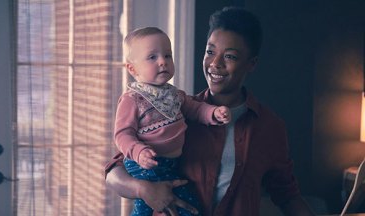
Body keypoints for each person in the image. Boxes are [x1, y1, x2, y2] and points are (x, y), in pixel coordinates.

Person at [105, 6, 316, 216]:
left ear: (251, 64)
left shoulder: (270, 127)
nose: (215, 63)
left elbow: (287, 195)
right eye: (210, 52)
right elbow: (114, 171)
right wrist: (144, 190)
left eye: (230, 56)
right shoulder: (175, 111)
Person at [114, 26, 231, 216]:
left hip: (171, 164)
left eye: (167, 55)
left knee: (171, 203)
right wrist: (138, 151)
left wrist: (214, 113)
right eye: (152, 57)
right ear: (132, 68)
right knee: (154, 205)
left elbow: (195, 108)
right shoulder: (132, 99)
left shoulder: (174, 94)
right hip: (147, 163)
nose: (163, 62)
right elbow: (122, 134)